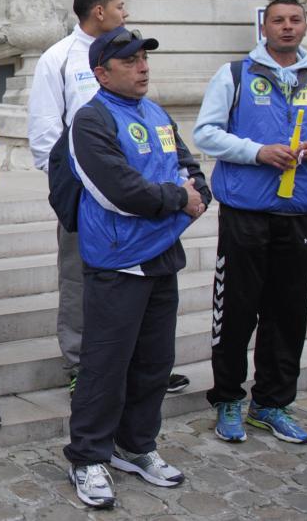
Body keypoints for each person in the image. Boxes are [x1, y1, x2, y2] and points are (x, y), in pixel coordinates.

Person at [63, 27, 209, 509]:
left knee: (154, 364)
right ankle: (87, 456)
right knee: (104, 367)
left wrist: (190, 195)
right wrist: (178, 199)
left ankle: (135, 445)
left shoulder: (156, 112)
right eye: (129, 61)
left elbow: (192, 172)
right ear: (102, 73)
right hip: (118, 261)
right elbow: (121, 191)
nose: (143, 67)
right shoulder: (91, 120)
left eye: (144, 58)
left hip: (162, 255)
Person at [194, 0, 307, 445]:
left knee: (288, 315)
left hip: (296, 214)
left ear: (304, 27)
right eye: (278, 20)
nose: (287, 27)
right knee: (235, 313)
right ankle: (227, 400)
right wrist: (257, 152)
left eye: (295, 20)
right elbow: (206, 134)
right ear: (265, 28)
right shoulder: (235, 74)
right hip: (245, 213)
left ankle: (272, 404)